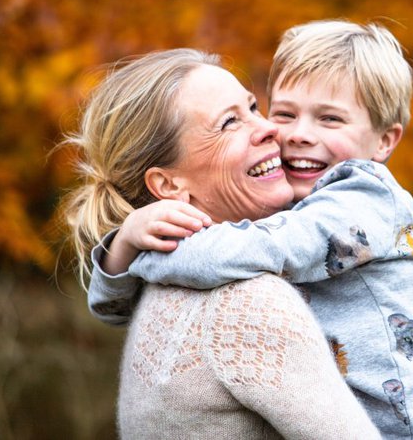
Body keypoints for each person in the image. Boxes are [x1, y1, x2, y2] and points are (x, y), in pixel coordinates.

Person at [90, 21, 413, 439]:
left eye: (330, 119)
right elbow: (111, 308)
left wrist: (150, 251)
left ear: (385, 141)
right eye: (283, 113)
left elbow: (264, 249)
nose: (296, 135)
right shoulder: (290, 213)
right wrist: (125, 243)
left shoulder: (364, 200)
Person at [63, 48, 381, 439]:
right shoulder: (246, 302)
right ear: (168, 186)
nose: (270, 129)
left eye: (252, 107)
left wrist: (129, 251)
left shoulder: (166, 283)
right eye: (229, 122)